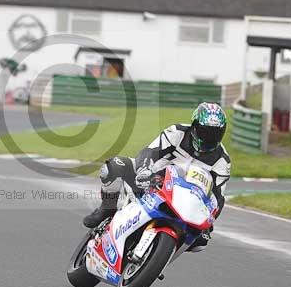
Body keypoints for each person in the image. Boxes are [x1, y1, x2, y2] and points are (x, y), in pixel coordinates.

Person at [82, 102, 231, 252]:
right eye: (205, 132)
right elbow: (150, 152)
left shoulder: (222, 160)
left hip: (186, 202)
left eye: (215, 134)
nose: (209, 138)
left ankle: (159, 255)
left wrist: (209, 222)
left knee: (199, 243)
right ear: (194, 126)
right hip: (152, 181)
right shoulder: (176, 133)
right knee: (112, 167)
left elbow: (218, 197)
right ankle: (107, 208)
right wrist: (144, 171)